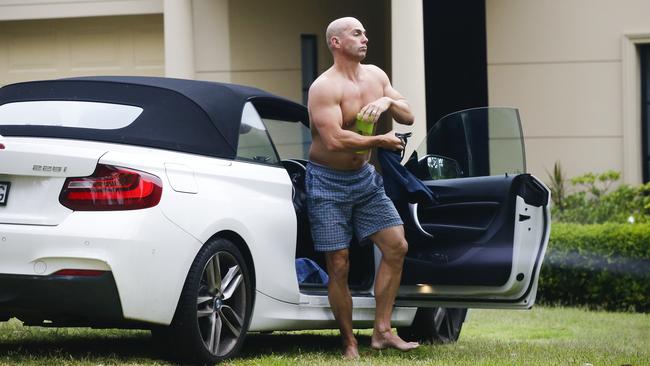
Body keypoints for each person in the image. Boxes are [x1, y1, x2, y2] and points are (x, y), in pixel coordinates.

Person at [306, 16, 418, 359]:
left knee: (396, 245)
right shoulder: (324, 87)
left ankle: (382, 331)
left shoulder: (377, 77)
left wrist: (387, 102)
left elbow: (408, 115)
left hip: (365, 179)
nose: (365, 38)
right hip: (327, 181)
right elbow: (335, 139)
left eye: (365, 33)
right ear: (336, 43)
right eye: (357, 33)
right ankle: (349, 341)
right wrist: (380, 140)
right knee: (339, 263)